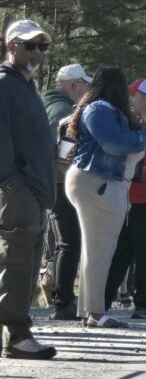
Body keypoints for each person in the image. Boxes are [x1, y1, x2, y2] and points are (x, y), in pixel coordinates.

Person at [65, 67, 146, 328]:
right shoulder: (100, 109)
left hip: (100, 183)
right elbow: (115, 145)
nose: (129, 95)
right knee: (100, 250)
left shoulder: (103, 110)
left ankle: (92, 312)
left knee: (97, 250)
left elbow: (121, 144)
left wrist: (143, 132)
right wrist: (145, 134)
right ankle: (96, 314)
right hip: (98, 184)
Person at [0, 20, 59, 358]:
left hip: (35, 191)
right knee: (17, 263)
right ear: (12, 47)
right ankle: (19, 337)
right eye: (29, 45)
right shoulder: (5, 85)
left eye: (41, 46)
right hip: (18, 191)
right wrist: (12, 182)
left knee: (26, 261)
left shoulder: (26, 87)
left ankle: (20, 334)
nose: (37, 51)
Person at [102, 78, 146, 319]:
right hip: (129, 200)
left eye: (135, 95)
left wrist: (132, 173)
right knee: (121, 250)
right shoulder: (134, 125)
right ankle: (102, 300)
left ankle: (142, 302)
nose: (131, 99)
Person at [42, 63, 92, 319]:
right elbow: (64, 155)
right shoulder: (65, 111)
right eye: (85, 84)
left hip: (49, 183)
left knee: (63, 242)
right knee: (69, 242)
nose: (88, 90)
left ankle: (62, 300)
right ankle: (63, 302)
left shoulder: (46, 104)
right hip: (63, 183)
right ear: (74, 85)